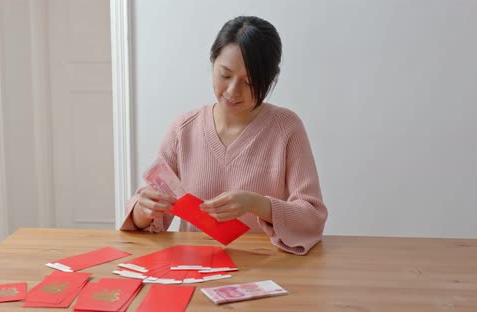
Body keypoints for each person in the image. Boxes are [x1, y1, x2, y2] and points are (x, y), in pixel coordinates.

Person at [120, 16, 327, 255]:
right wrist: (142, 211)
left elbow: (312, 217)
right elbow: (147, 215)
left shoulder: (287, 128)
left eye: (249, 83)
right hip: (195, 270)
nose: (232, 91)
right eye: (225, 75)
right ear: (213, 62)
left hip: (266, 273)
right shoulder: (183, 129)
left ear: (270, 80)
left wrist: (257, 204)